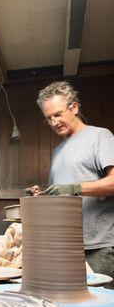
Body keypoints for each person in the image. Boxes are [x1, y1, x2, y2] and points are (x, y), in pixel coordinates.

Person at [33, 81, 114, 286]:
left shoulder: (100, 136)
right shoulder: (59, 151)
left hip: (99, 247)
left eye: (58, 114)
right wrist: (41, 195)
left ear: (74, 107)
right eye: (48, 118)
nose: (53, 122)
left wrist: (75, 188)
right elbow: (60, 195)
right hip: (66, 246)